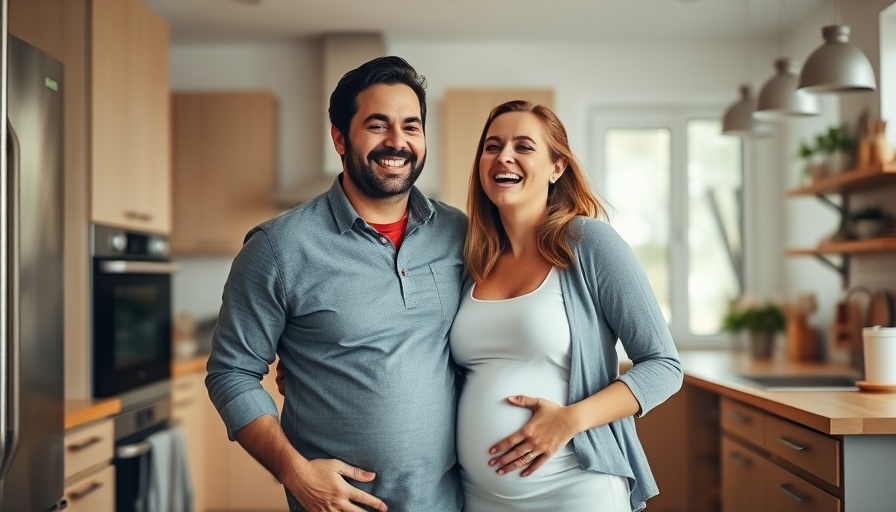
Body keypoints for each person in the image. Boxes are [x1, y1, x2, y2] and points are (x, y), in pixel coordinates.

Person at [205, 56, 466, 512]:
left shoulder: (457, 233)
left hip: (450, 501)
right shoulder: (278, 248)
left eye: (411, 126)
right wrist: (294, 472)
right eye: (377, 125)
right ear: (340, 138)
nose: (397, 142)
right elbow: (231, 373)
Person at [448, 100, 682, 512]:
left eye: (524, 146)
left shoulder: (588, 244)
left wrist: (569, 420)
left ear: (557, 167)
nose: (504, 156)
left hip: (576, 490)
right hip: (480, 498)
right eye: (492, 146)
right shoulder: (472, 259)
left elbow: (664, 365)